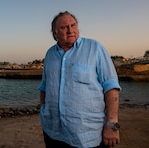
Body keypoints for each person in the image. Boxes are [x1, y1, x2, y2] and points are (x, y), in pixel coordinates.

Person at [39, 11, 121, 148]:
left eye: (73, 25)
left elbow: (111, 87)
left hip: (87, 136)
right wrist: (43, 110)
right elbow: (44, 86)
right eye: (64, 27)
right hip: (52, 132)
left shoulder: (95, 48)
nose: (70, 30)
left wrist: (112, 124)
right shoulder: (50, 54)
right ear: (54, 33)